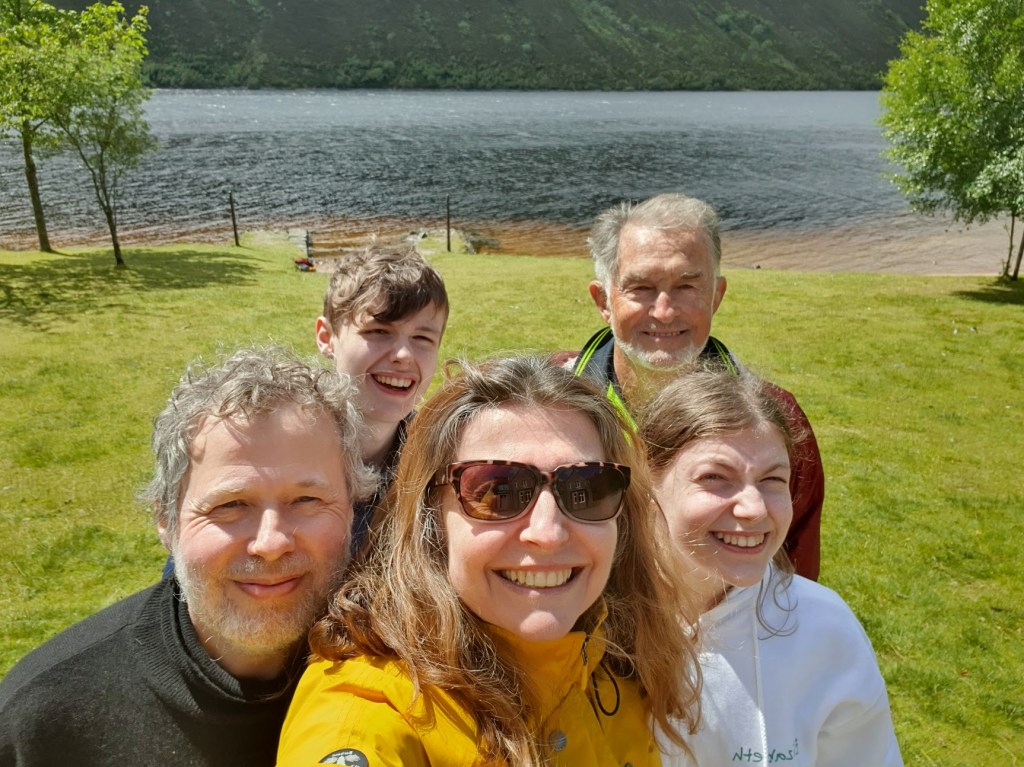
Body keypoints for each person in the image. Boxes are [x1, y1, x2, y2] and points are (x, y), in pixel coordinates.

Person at [277, 356, 702, 767]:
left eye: (586, 489)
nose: (548, 532)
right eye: (498, 492)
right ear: (431, 518)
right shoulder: (367, 712)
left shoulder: (622, 660)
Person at [0, 346, 375, 766]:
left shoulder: (410, 681)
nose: (271, 543)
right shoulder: (44, 721)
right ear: (166, 519)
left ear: (351, 506)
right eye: (230, 505)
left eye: (306, 499)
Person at [641, 367, 902, 766]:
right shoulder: (594, 619)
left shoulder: (825, 629)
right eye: (716, 477)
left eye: (773, 480)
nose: (754, 508)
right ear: (645, 485)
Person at [569, 192, 825, 580]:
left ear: (717, 296)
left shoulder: (778, 421)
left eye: (687, 286)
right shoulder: (555, 412)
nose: (664, 311)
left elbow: (793, 574)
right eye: (640, 287)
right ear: (603, 300)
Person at [315, 243, 449, 552]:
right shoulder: (278, 446)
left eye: (422, 338)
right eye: (378, 331)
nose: (403, 354)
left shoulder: (437, 463)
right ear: (327, 337)